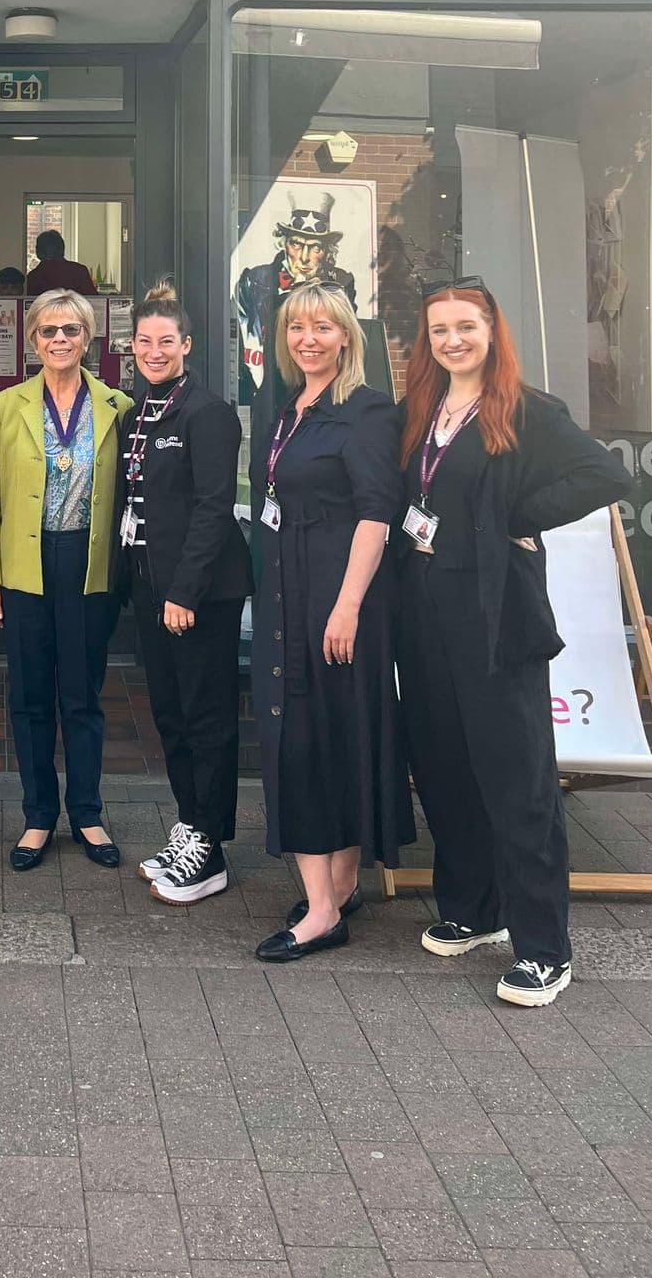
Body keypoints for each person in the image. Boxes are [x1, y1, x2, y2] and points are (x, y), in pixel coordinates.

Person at [396, 277, 627, 1008]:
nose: (452, 340)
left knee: (516, 779)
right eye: (439, 329)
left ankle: (543, 948)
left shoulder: (526, 410)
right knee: (444, 766)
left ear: (492, 331)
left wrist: (514, 515)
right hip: (424, 615)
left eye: (465, 326)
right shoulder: (422, 408)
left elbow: (605, 474)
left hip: (495, 617)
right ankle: (475, 909)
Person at [249, 284, 413, 963]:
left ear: (347, 335)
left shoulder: (367, 410)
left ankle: (321, 913)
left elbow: (377, 513)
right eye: (296, 328)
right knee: (315, 740)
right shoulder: (288, 408)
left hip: (336, 603)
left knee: (318, 742)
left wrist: (346, 606)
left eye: (322, 327)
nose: (308, 339)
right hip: (288, 595)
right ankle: (338, 891)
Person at [0, 291, 132, 870]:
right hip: (25, 563)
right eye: (48, 331)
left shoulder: (118, 405)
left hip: (88, 564)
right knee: (29, 695)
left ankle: (87, 813)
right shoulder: (6, 405)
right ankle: (38, 816)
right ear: (32, 340)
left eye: (71, 330)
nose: (60, 340)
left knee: (83, 696)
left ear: (87, 338)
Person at [120, 281, 253, 904]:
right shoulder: (136, 413)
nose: (155, 351)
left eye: (166, 341)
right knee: (170, 715)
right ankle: (189, 825)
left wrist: (184, 593)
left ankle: (211, 848)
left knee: (207, 718)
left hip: (198, 597)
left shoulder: (209, 413)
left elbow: (213, 509)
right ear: (132, 346)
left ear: (187, 345)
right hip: (153, 591)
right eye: (145, 341)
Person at [234, 192, 358, 363]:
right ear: (284, 244)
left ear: (327, 252)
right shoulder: (254, 280)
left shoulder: (341, 284)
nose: (304, 257)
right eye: (296, 244)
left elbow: (347, 341)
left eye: (315, 248)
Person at [25, 230, 97, 298]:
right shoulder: (79, 271)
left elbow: (29, 304)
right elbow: (94, 300)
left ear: (38, 251)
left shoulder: (34, 276)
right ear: (62, 249)